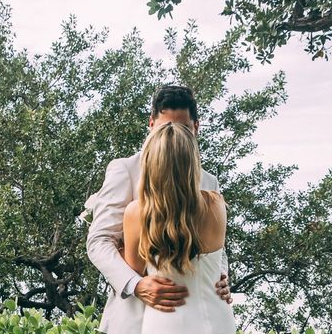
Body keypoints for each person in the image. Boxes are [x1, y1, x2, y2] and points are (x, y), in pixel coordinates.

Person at [85, 85, 231, 333]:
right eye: (165, 128)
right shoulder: (124, 169)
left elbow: (218, 248)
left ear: (196, 127)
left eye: (183, 128)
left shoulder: (209, 182)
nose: (174, 136)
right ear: (151, 124)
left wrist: (222, 277)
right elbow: (99, 241)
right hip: (134, 317)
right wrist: (135, 283)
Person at [122, 122, 236, 333]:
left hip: (167, 318)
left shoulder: (137, 213)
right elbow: (215, 261)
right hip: (218, 317)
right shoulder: (216, 205)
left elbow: (135, 271)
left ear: (150, 162)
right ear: (192, 162)